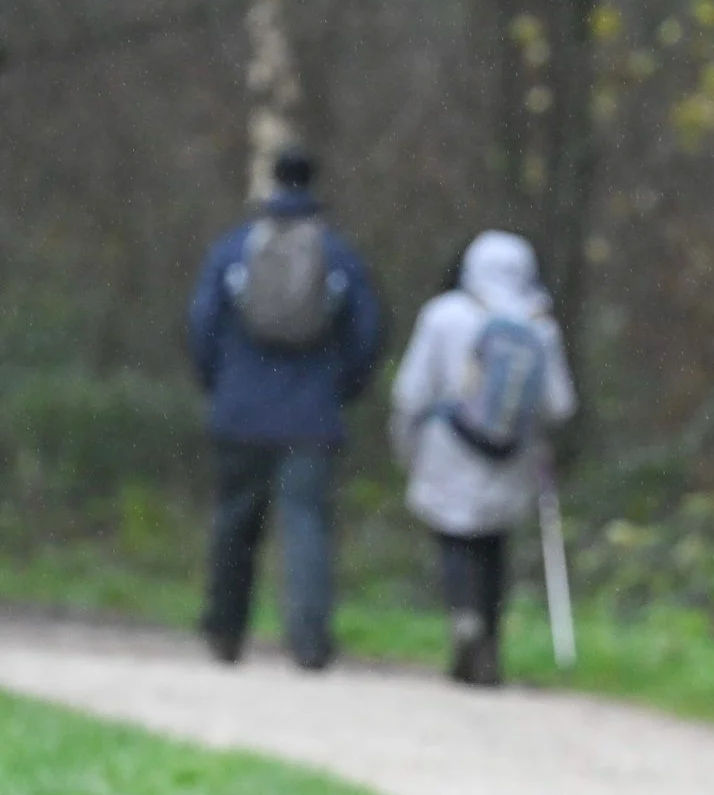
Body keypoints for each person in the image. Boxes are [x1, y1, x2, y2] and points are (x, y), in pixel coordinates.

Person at [185, 146, 385, 669]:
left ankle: (225, 631)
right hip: (313, 414)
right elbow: (367, 334)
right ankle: (310, 640)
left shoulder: (233, 251)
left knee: (234, 523)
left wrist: (220, 385)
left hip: (240, 411)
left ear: (273, 181)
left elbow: (201, 328)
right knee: (307, 526)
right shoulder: (338, 256)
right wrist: (341, 389)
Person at [387, 231, 576, 686]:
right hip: (510, 456)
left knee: (455, 537)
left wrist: (405, 439)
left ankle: (463, 617)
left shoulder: (443, 315)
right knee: (493, 545)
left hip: (447, 446)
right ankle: (489, 639)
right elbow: (560, 404)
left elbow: (412, 389)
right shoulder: (539, 324)